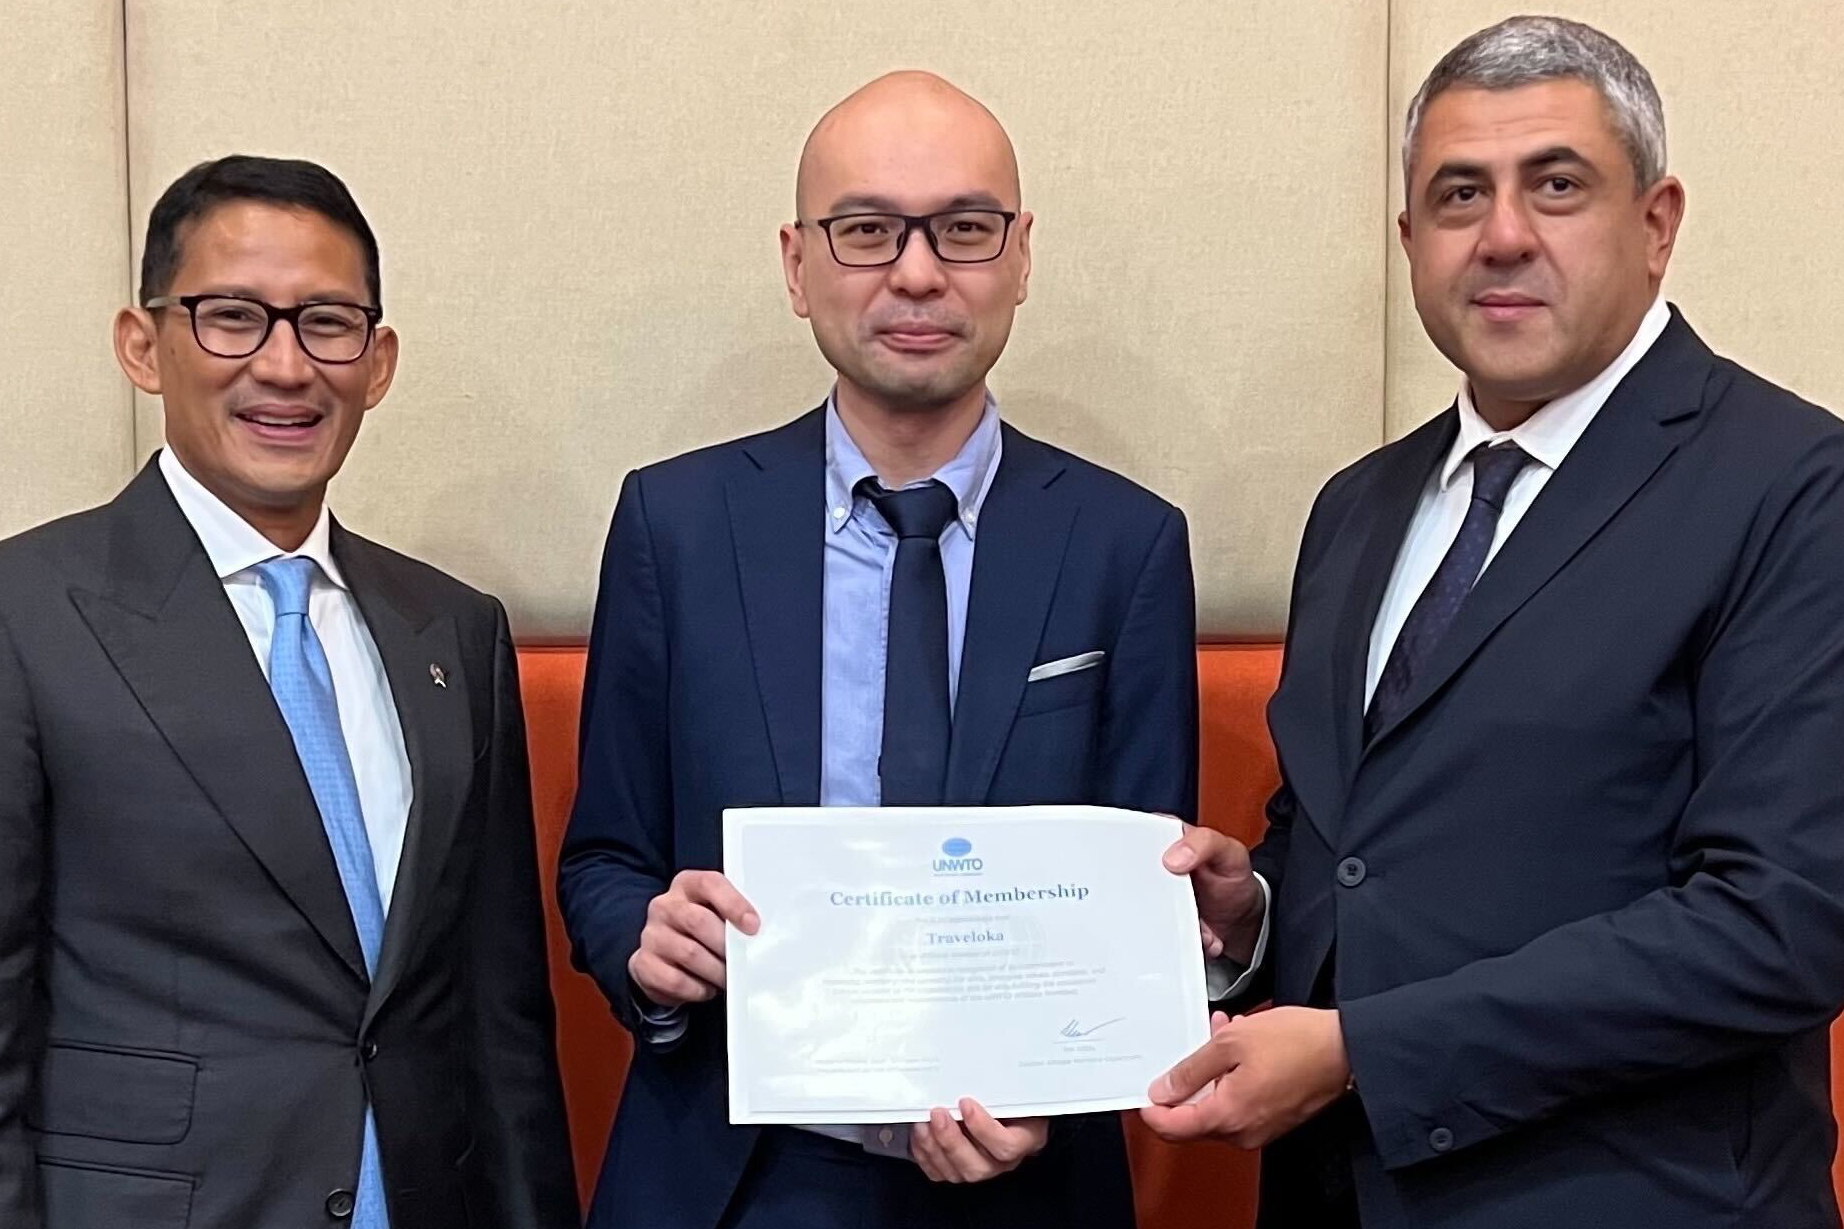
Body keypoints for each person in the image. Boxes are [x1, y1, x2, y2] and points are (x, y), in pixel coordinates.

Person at [1149, 15, 1844, 1228]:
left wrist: (1365, 1046)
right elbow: (1349, 840)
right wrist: (1251, 909)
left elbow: (1779, 921)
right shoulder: (1356, 508)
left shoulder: (1795, 486)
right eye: (1458, 195)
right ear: (1410, 241)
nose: (1503, 235)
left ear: (1656, 222)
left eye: (1556, 185)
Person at [558, 71, 1198, 1229]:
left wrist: (1057, 1079)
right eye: (865, 231)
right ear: (797, 265)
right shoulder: (676, 526)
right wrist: (644, 947)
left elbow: (1140, 905)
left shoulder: (1124, 545)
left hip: (1026, 1181)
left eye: (962, 229)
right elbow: (603, 857)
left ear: (1018, 255)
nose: (915, 272)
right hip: (734, 1172)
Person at [0, 155, 579, 1229]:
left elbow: (498, 1021)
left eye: (326, 322)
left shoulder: (452, 628)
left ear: (379, 359)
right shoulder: (25, 613)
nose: (284, 364)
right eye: (231, 316)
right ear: (143, 343)